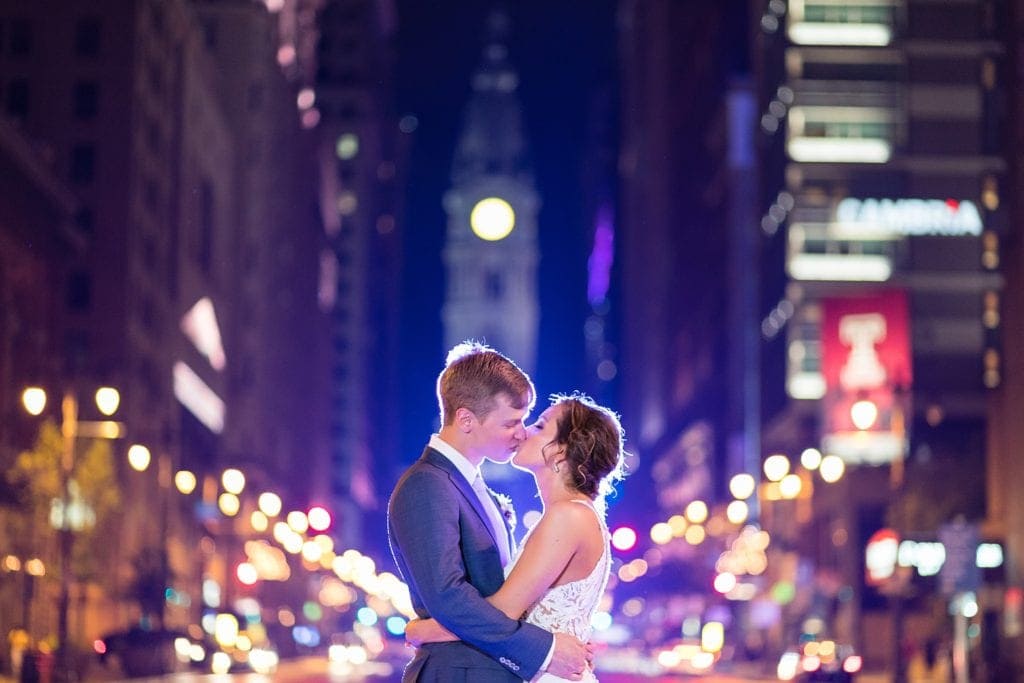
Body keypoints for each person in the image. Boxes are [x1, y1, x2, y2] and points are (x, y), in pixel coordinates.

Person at [388, 342, 594, 682]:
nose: (522, 433)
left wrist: (422, 630)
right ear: (466, 419)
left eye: (526, 421)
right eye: (511, 422)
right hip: (458, 673)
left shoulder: (471, 485)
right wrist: (546, 649)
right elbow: (450, 598)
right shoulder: (426, 486)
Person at [404, 391, 626, 683]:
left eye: (540, 426)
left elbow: (502, 612)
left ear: (561, 450)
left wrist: (421, 630)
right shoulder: (574, 514)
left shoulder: (568, 516)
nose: (524, 432)